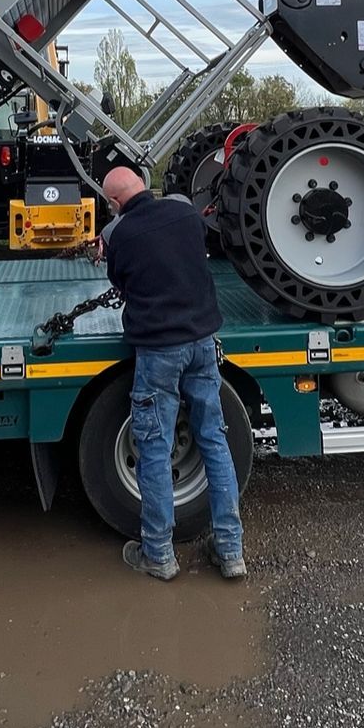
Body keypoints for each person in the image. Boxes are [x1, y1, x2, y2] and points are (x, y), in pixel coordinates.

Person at [96, 165, 246, 581]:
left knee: (155, 448)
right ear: (143, 185)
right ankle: (231, 552)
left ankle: (159, 555)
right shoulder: (185, 216)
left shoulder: (121, 236)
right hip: (202, 343)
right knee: (214, 441)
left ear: (115, 203)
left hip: (160, 352)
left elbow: (122, 284)